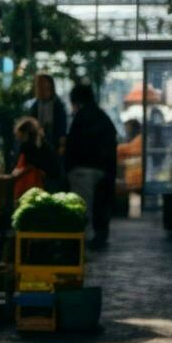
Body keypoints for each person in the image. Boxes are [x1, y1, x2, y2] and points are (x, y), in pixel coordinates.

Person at [65, 84, 117, 247]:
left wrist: (67, 168)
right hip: (103, 170)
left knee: (83, 208)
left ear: (77, 101)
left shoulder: (79, 119)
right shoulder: (103, 117)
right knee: (100, 206)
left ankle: (83, 243)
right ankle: (100, 237)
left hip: (82, 170)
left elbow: (72, 145)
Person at [11, 116, 57, 198]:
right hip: (46, 182)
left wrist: (19, 172)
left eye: (20, 136)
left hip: (39, 183)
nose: (19, 139)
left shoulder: (29, 146)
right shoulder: (43, 144)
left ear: (25, 133)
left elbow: (31, 164)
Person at [25, 73, 68, 156]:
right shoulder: (34, 107)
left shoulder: (58, 106)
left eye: (44, 87)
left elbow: (62, 129)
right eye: (38, 87)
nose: (40, 90)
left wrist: (61, 146)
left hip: (54, 146)